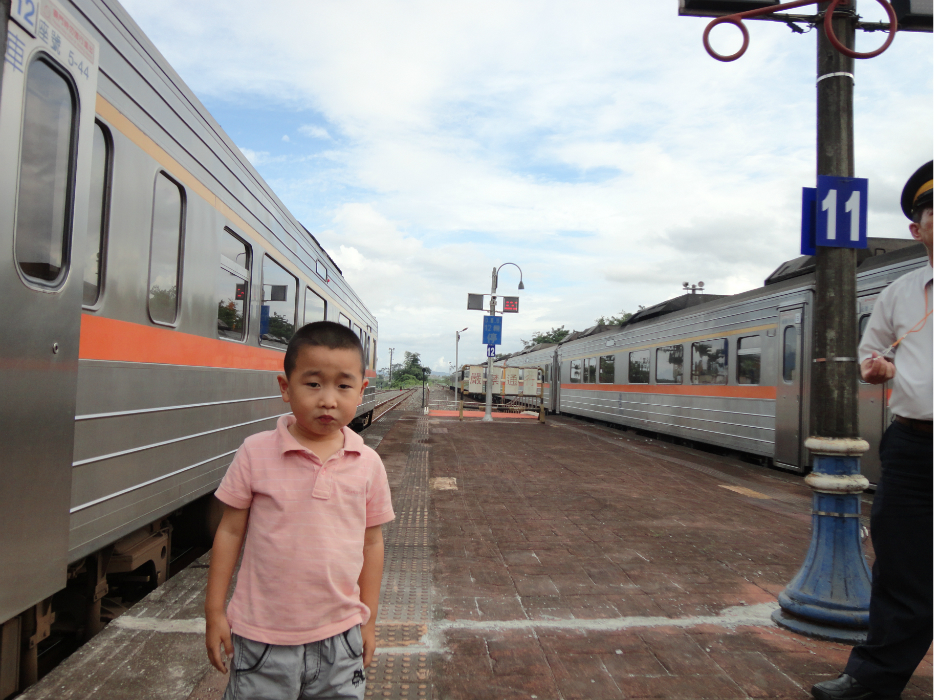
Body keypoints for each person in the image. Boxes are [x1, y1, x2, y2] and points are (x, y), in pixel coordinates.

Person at [204, 321, 394, 700]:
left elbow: (371, 544)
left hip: (341, 635)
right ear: (285, 388)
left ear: (361, 391)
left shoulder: (368, 463)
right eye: (313, 384)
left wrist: (368, 622)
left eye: (343, 385)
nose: (328, 399)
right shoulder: (256, 452)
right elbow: (229, 531)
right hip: (262, 638)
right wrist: (214, 613)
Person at [812, 161, 933, 700]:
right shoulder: (901, 292)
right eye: (933, 213)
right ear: (918, 229)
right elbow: (871, 353)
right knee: (900, 567)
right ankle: (871, 681)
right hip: (913, 442)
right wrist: (874, 367)